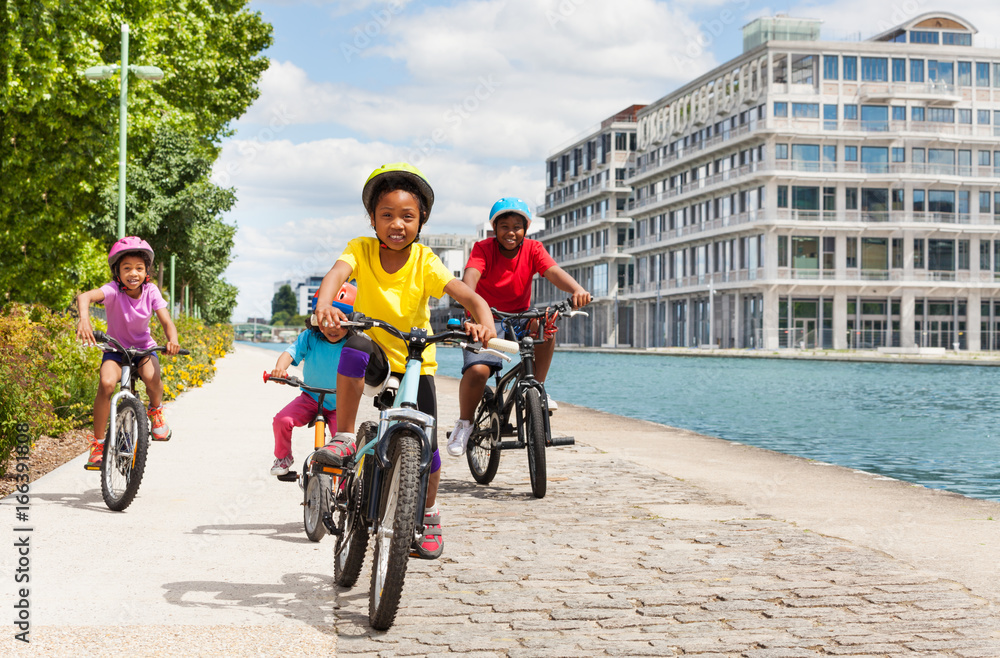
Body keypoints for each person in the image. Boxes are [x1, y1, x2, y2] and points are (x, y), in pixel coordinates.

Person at [312, 162, 496, 559]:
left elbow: (466, 294)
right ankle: (344, 438)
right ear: (373, 219)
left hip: (415, 361)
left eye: (407, 217)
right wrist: (324, 303)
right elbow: (335, 274)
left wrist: (484, 320)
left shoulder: (425, 260)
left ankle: (428, 512)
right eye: (387, 215)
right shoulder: (360, 249)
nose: (397, 224)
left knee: (426, 448)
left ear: (421, 220)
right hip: (376, 355)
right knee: (356, 344)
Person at [447, 197, 591, 458]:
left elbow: (553, 271)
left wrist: (577, 289)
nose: (511, 232)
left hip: (520, 317)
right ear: (495, 229)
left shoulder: (534, 248)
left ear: (526, 228)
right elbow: (471, 275)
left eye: (517, 226)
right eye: (504, 226)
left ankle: (538, 388)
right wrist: (469, 305)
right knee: (479, 371)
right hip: (487, 317)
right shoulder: (483, 248)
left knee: (545, 323)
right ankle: (464, 423)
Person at [76, 236, 180, 471]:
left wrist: (172, 340)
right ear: (117, 271)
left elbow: (166, 321)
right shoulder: (112, 290)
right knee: (106, 384)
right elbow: (84, 297)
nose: (133, 273)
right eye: (127, 268)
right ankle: (98, 444)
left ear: (146, 272)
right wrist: (84, 320)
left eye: (139, 268)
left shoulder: (151, 291)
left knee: (153, 379)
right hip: (115, 349)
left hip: (144, 349)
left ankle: (155, 411)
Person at [268, 284, 356, 476]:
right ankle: (283, 457)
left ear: (351, 321)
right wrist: (280, 369)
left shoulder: (353, 343)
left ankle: (344, 482)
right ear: (316, 319)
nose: (332, 327)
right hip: (310, 398)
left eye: (339, 321)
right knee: (281, 420)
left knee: (344, 442)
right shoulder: (309, 337)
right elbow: (289, 353)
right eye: (326, 319)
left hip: (341, 404)